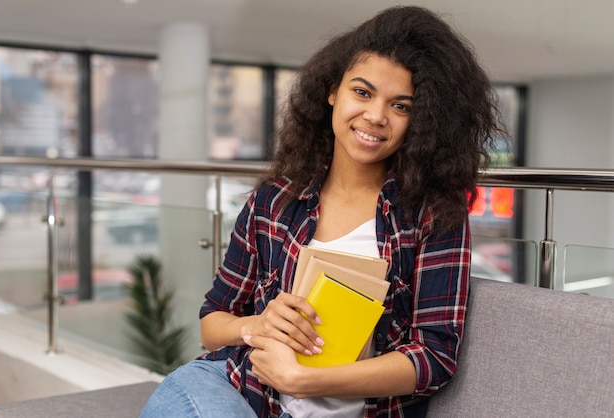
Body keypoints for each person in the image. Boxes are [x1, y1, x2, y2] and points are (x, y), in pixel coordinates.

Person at [140, 5, 504, 418]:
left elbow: (434, 358)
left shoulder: (433, 216)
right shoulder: (273, 202)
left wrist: (305, 380)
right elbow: (212, 323)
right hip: (237, 394)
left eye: (401, 106)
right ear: (333, 90)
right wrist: (254, 326)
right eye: (362, 92)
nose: (375, 116)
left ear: (422, 120)